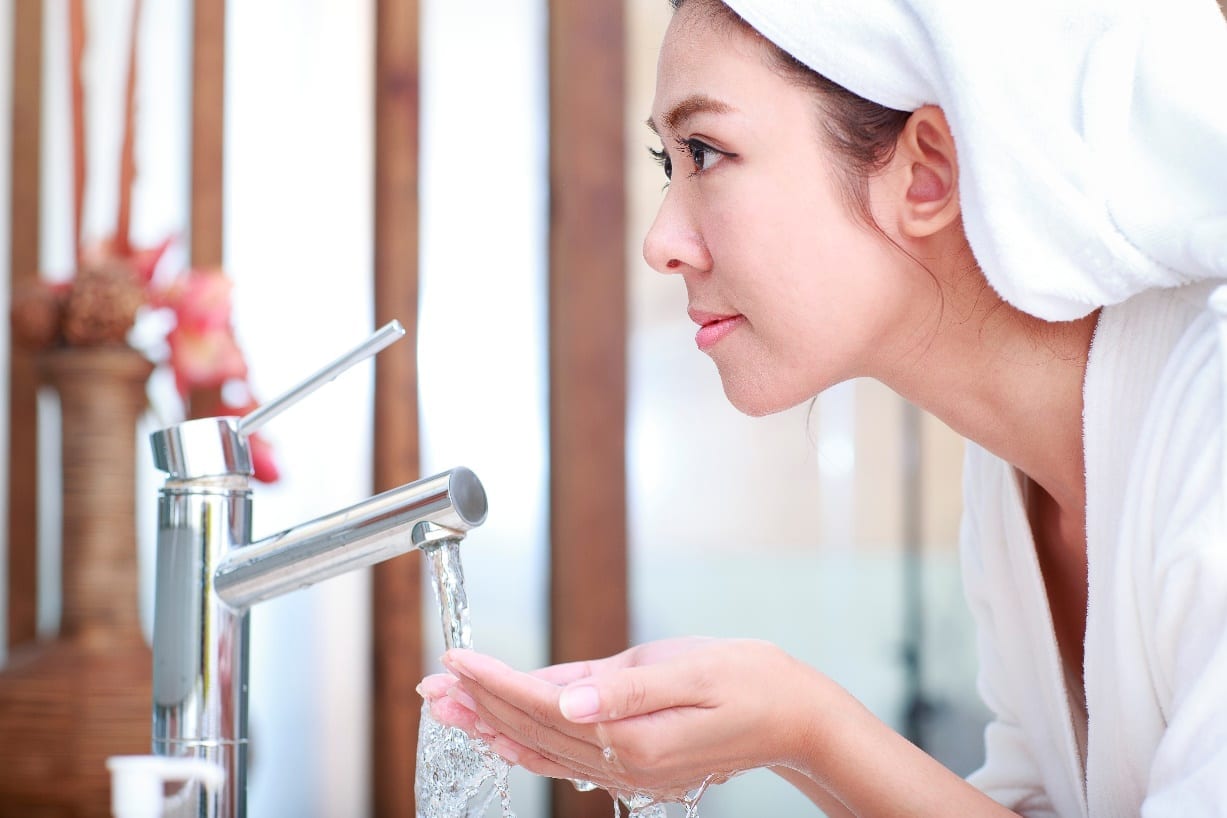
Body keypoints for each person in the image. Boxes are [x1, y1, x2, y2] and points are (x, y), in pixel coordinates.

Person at [419, 0, 1227, 813]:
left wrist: (806, 728)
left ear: (926, 174)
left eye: (705, 151)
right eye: (670, 163)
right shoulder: (1010, 475)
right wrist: (782, 739)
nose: (659, 241)